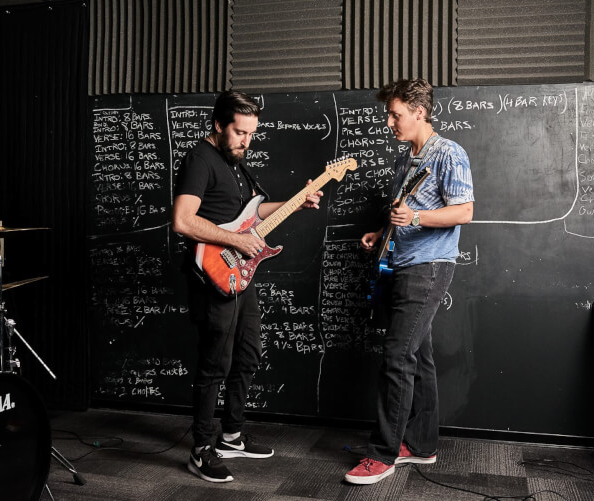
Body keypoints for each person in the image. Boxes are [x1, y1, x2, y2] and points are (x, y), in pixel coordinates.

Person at [172, 89, 323, 483]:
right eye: (239, 132)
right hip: (214, 274)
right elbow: (184, 221)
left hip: (241, 273)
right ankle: (201, 449)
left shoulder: (234, 160)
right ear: (218, 126)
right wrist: (237, 242)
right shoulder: (199, 159)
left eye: (251, 134)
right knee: (214, 365)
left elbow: (250, 215)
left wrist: (296, 201)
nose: (246, 141)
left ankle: (232, 436)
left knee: (249, 353)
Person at [344, 78, 474, 485]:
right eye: (389, 114)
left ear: (419, 112)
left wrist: (415, 219)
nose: (389, 122)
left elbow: (464, 211)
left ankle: (382, 455)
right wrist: (381, 234)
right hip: (401, 263)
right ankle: (420, 445)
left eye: (395, 114)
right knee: (419, 357)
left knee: (397, 356)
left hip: (429, 267)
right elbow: (402, 214)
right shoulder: (407, 159)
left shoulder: (449, 153)